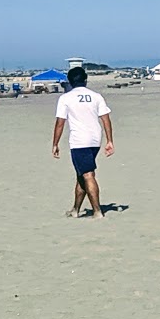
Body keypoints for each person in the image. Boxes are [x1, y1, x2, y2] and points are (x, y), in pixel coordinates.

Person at [51, 66, 114, 217]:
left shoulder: (66, 98)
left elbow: (60, 122)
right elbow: (105, 119)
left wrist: (55, 144)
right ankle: (75, 210)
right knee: (81, 174)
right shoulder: (96, 96)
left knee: (88, 174)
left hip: (80, 141)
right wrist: (109, 140)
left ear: (70, 82)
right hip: (95, 139)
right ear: (85, 80)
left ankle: (97, 211)